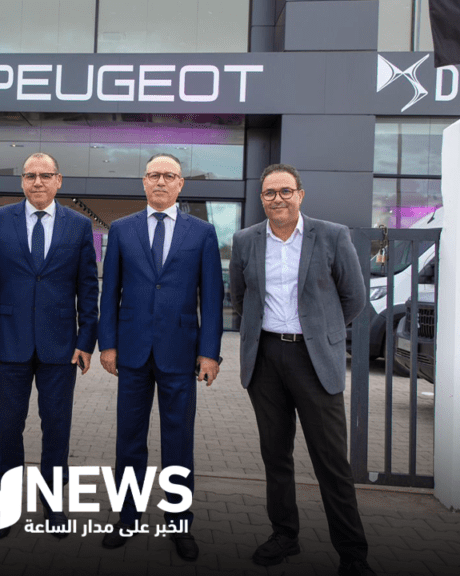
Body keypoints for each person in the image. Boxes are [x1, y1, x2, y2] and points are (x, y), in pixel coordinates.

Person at [228, 163, 375, 576]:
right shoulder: (245, 240)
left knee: (331, 461)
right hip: (265, 359)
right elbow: (240, 296)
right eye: (269, 193)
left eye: (285, 191)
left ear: (300, 194)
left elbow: (354, 297)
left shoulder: (331, 235)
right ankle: (284, 535)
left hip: (314, 361)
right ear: (262, 198)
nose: (278, 199)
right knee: (276, 455)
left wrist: (321, 333)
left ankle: (352, 554)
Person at [97, 153, 223, 562]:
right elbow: (110, 292)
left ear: (180, 184)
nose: (161, 182)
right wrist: (108, 344)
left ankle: (178, 522)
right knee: (129, 441)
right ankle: (127, 517)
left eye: (169, 176)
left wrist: (209, 353)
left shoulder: (202, 233)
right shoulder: (122, 229)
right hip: (132, 352)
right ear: (144, 181)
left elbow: (212, 299)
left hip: (180, 354)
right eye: (154, 175)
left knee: (178, 442)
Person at [0, 152, 99, 539]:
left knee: (57, 430)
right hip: (7, 345)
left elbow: (88, 288)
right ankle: (5, 506)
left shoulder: (79, 225)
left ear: (59, 180)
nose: (38, 182)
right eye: (30, 175)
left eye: (45, 175)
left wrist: (86, 340)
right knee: (7, 430)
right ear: (22, 181)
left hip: (60, 347)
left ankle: (53, 505)